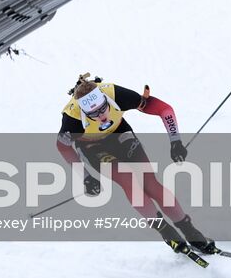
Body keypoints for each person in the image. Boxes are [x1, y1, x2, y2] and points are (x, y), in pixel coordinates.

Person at [56, 72, 217, 255]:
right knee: (128, 180)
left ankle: (191, 232)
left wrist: (175, 141)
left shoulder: (116, 94)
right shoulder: (72, 119)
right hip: (92, 146)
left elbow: (165, 110)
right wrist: (85, 177)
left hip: (120, 135)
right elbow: (63, 148)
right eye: (93, 113)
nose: (101, 116)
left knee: (151, 184)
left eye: (103, 108)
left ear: (106, 99)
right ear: (83, 111)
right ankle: (167, 233)